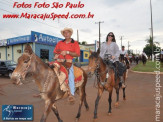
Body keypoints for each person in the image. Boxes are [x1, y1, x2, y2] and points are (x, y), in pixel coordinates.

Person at [53, 27, 80, 103]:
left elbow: (77, 54)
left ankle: (71, 94)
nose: (66, 34)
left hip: (68, 62)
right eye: (65, 33)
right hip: (59, 61)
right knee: (50, 70)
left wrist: (68, 52)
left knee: (70, 75)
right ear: (63, 34)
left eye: (68, 32)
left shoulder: (75, 43)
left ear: (71, 34)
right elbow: (55, 51)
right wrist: (56, 55)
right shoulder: (60, 43)